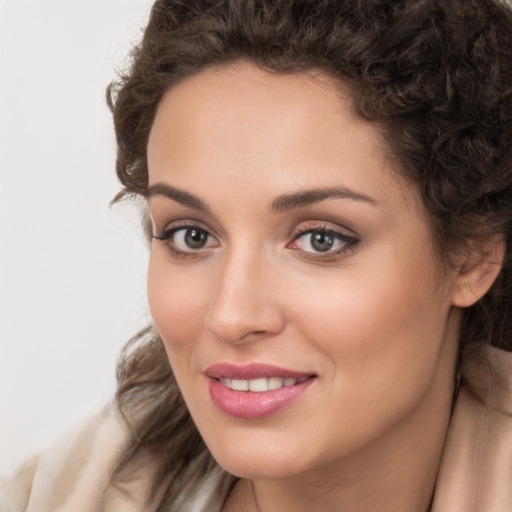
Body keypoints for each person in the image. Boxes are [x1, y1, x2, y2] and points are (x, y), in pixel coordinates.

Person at [2, 0, 512, 510]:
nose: (231, 315)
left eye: (320, 239)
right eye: (192, 236)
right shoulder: (66, 493)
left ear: (472, 256)